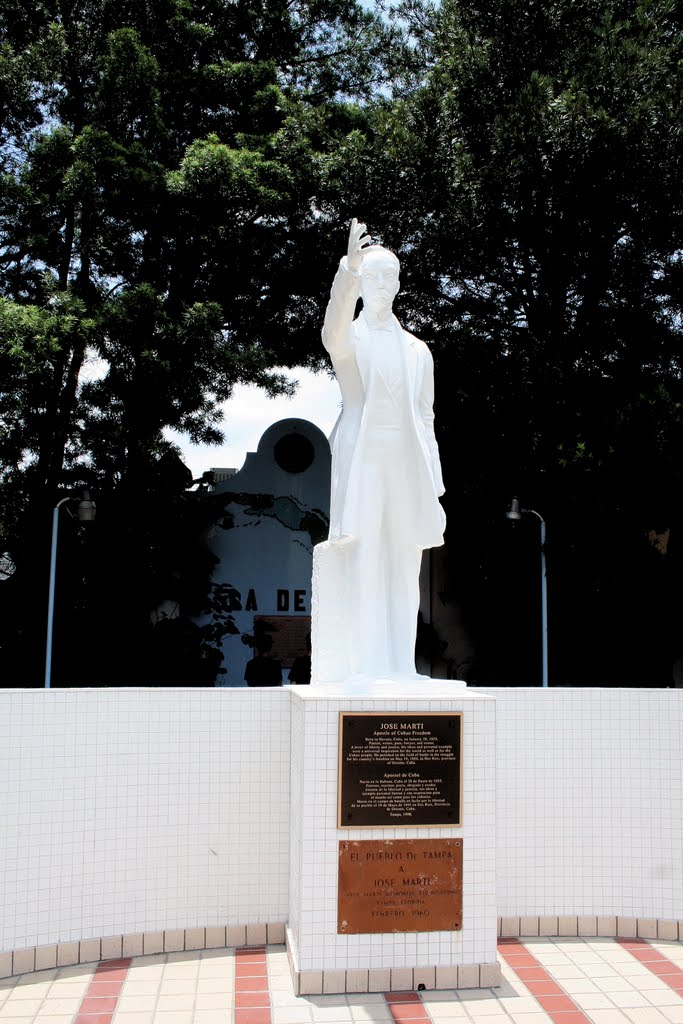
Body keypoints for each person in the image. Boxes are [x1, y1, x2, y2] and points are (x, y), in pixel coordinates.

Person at [319, 218, 446, 679]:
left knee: (405, 563)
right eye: (371, 276)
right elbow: (332, 333)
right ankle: (368, 664)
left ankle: (401, 667)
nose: (380, 284)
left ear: (397, 284)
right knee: (366, 559)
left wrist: (434, 483)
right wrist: (347, 274)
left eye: (387, 276)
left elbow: (426, 416)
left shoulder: (418, 350)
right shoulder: (351, 338)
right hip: (364, 458)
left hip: (405, 462)